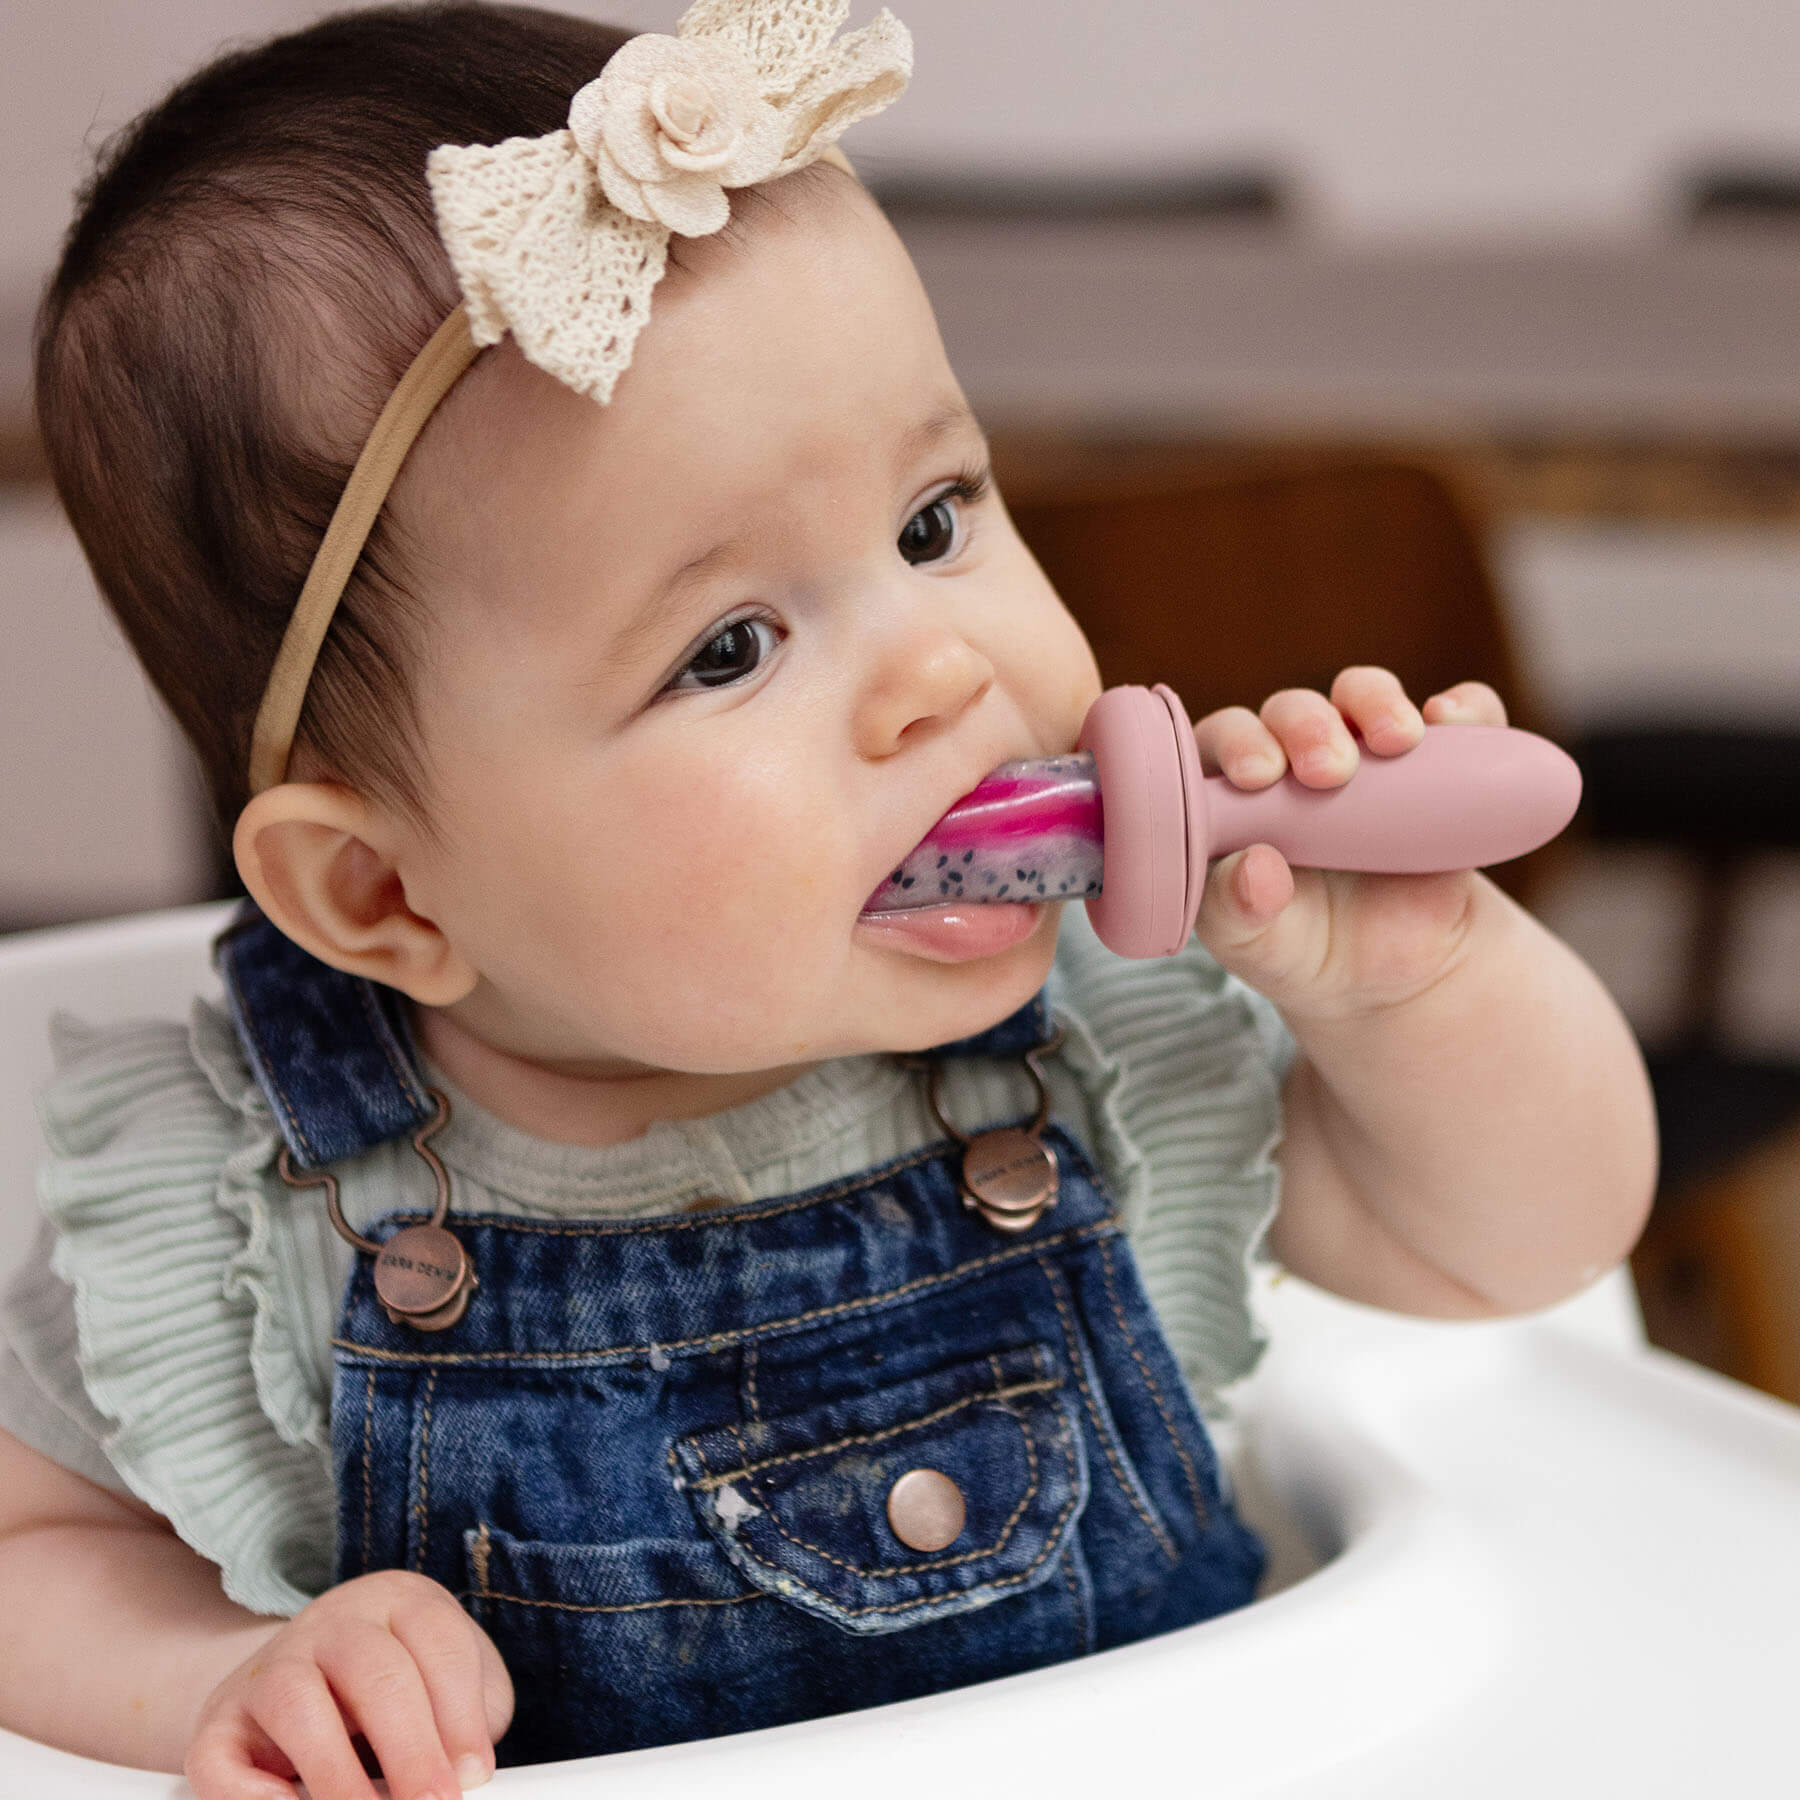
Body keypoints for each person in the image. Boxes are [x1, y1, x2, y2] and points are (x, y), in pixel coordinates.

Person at [0, 3, 1657, 1796]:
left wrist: (1417, 986)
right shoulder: (250, 1208)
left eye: (936, 518)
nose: (937, 674)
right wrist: (217, 1677)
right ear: (385, 889)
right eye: (728, 648)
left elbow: (1519, 1248)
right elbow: (27, 1553)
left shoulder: (1096, 1038)